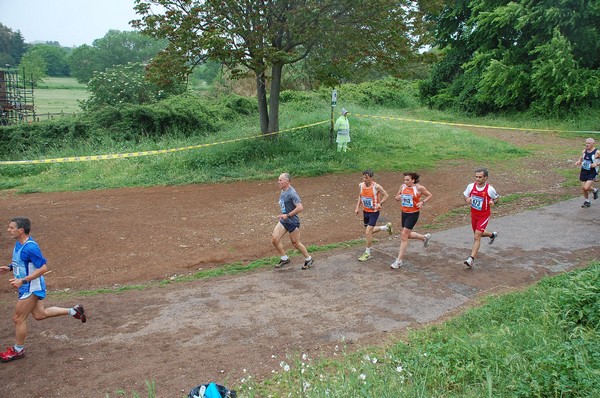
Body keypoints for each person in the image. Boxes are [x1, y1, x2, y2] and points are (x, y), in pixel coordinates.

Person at [0, 217, 86, 362]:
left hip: (31, 287)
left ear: (20, 230)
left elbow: (43, 268)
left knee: (18, 318)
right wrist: (9, 268)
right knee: (40, 315)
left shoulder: (30, 247)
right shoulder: (19, 243)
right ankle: (74, 311)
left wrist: (23, 280)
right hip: (27, 286)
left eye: (11, 227)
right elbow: (23, 263)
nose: (8, 230)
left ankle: (18, 350)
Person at [390, 172, 433, 269]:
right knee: (407, 234)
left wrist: (422, 202)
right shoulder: (402, 187)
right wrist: (398, 197)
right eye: (405, 180)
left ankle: (399, 261)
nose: (405, 181)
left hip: (413, 214)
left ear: (413, 180)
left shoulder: (419, 188)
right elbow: (396, 197)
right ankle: (424, 238)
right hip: (404, 212)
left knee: (404, 236)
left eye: (407, 180)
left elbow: (430, 195)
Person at [272, 173, 314, 269]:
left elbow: (300, 207)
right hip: (284, 220)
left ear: (287, 182)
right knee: (274, 239)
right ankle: (284, 258)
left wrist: (287, 215)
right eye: (278, 180)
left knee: (295, 243)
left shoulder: (292, 193)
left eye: (280, 180)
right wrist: (284, 216)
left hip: (292, 221)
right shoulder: (283, 191)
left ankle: (308, 259)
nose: (278, 182)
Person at [463, 168, 500, 268]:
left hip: (484, 215)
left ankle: (471, 259)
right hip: (474, 214)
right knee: (478, 233)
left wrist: (493, 202)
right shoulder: (471, 186)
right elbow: (465, 196)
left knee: (477, 236)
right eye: (476, 177)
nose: (477, 179)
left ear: (485, 178)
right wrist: (467, 199)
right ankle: (492, 235)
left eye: (480, 177)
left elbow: (496, 198)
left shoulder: (490, 189)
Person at [355, 170, 393, 262]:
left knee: (368, 232)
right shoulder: (361, 185)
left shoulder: (376, 186)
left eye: (366, 178)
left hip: (374, 212)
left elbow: (386, 195)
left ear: (371, 178)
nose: (364, 179)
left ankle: (367, 253)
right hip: (365, 211)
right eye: (363, 177)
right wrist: (357, 207)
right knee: (369, 231)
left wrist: (380, 203)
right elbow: (361, 196)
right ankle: (386, 227)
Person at [575, 137, 599, 208]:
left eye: (588, 143)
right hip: (584, 171)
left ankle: (595, 190)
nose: (587, 145)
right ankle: (587, 201)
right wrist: (579, 161)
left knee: (586, 187)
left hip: (592, 172)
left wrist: (596, 164)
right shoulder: (584, 151)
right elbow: (581, 158)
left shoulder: (597, 152)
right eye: (586, 143)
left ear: (593, 144)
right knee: (583, 188)